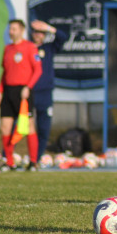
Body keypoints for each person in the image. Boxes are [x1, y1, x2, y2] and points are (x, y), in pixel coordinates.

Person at [0, 19, 42, 171]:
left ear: (21, 30)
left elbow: (38, 70)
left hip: (23, 92)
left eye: (14, 29)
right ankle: (9, 162)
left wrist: (28, 87)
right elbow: (5, 72)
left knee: (28, 126)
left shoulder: (30, 47)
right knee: (5, 127)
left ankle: (33, 162)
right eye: (10, 29)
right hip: (8, 91)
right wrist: (0, 91)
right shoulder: (8, 48)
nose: (11, 32)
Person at [29, 19, 69, 156]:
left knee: (43, 128)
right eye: (36, 32)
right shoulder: (27, 48)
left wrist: (49, 28)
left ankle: (37, 158)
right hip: (28, 93)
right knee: (21, 126)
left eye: (41, 32)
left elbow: (64, 37)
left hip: (45, 93)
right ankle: (8, 157)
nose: (38, 35)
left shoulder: (48, 48)